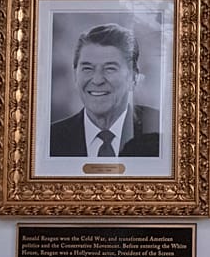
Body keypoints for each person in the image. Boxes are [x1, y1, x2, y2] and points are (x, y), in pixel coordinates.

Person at [50, 23, 160, 157]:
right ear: (75, 74)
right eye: (87, 68)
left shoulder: (162, 131)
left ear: (133, 77)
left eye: (110, 69)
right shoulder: (50, 140)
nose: (97, 80)